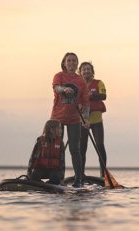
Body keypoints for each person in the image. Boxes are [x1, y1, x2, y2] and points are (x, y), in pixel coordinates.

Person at [50, 52, 89, 187]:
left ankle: (78, 179)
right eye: (69, 61)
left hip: (74, 119)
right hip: (57, 117)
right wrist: (64, 89)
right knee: (57, 148)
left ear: (77, 64)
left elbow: (85, 103)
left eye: (74, 61)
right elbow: (56, 87)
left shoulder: (81, 81)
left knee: (75, 149)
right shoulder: (59, 76)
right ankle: (56, 177)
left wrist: (86, 119)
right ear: (64, 63)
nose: (72, 63)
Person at [78, 62, 108, 178]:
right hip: (83, 119)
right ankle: (80, 173)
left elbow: (103, 96)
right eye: (84, 70)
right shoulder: (79, 85)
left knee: (100, 145)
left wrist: (90, 96)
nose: (86, 71)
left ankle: (103, 174)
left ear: (92, 71)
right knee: (82, 147)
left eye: (88, 69)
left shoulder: (98, 83)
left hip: (96, 120)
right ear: (80, 72)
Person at [27, 120, 65, 185]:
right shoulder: (40, 141)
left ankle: (48, 184)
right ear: (51, 130)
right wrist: (29, 173)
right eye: (59, 128)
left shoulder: (60, 143)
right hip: (41, 169)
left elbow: (62, 161)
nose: (61, 130)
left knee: (55, 178)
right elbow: (33, 158)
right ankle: (40, 184)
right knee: (34, 176)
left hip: (54, 171)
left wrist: (61, 178)